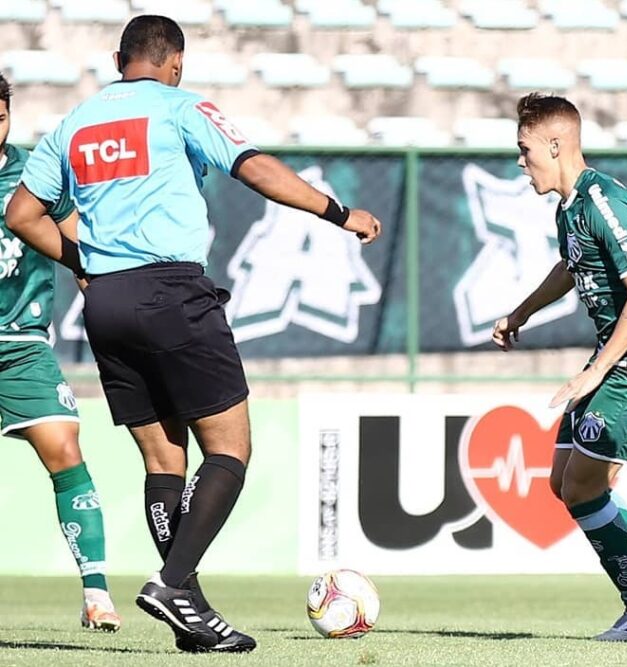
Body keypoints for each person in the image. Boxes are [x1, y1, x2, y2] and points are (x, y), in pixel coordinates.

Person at [6, 15, 381, 653]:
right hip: (172, 292)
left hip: (106, 303)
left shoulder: (74, 124)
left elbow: (20, 212)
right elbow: (255, 168)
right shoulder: (180, 106)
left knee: (163, 459)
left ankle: (192, 612)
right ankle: (175, 583)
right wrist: (339, 212)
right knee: (230, 450)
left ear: (117, 58)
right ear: (175, 62)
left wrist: (83, 264)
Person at [493, 93, 627, 642]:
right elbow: (572, 266)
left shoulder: (603, 201)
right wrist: (521, 313)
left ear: (556, 144)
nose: (520, 161)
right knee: (564, 481)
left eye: (525, 149)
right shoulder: (570, 208)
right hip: (617, 353)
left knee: (586, 485)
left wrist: (595, 372)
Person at [0, 74, 121, 633]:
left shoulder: (36, 175)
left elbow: (82, 246)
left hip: (21, 349)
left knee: (66, 449)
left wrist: (105, 286)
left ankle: (96, 591)